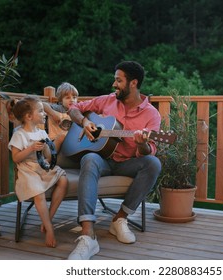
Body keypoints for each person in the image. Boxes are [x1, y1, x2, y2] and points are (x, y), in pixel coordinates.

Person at [67, 61, 162, 260]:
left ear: (133, 83)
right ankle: (87, 236)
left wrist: (141, 143)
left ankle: (119, 219)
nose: (114, 84)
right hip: (103, 160)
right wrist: (85, 121)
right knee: (90, 157)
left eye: (118, 80)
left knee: (153, 163)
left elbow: (149, 151)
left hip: (127, 164)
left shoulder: (151, 115)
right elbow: (74, 108)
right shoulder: (107, 101)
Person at [8, 95, 68, 248]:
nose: (44, 114)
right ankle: (49, 229)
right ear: (29, 116)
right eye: (41, 111)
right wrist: (30, 148)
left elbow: (48, 156)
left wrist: (51, 146)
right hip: (28, 169)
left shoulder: (42, 133)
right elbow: (15, 158)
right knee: (38, 193)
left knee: (63, 180)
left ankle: (48, 218)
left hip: (41, 167)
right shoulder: (19, 134)